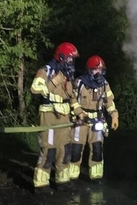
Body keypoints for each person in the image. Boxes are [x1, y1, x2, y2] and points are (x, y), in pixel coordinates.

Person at [30, 42, 79, 192]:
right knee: (49, 150)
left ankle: (62, 180)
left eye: (73, 60)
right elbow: (35, 88)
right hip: (49, 117)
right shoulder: (46, 71)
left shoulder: (68, 76)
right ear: (61, 57)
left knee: (64, 149)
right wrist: (53, 82)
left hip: (64, 119)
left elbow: (72, 98)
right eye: (70, 59)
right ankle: (41, 184)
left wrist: (80, 113)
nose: (72, 62)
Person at [70, 55, 119, 181]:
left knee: (97, 148)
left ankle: (96, 176)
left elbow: (109, 101)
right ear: (89, 70)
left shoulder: (104, 85)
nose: (99, 73)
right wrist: (79, 112)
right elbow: (72, 99)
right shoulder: (79, 83)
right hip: (81, 120)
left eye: (101, 71)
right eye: (96, 70)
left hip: (97, 120)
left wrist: (114, 114)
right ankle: (72, 175)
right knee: (76, 148)